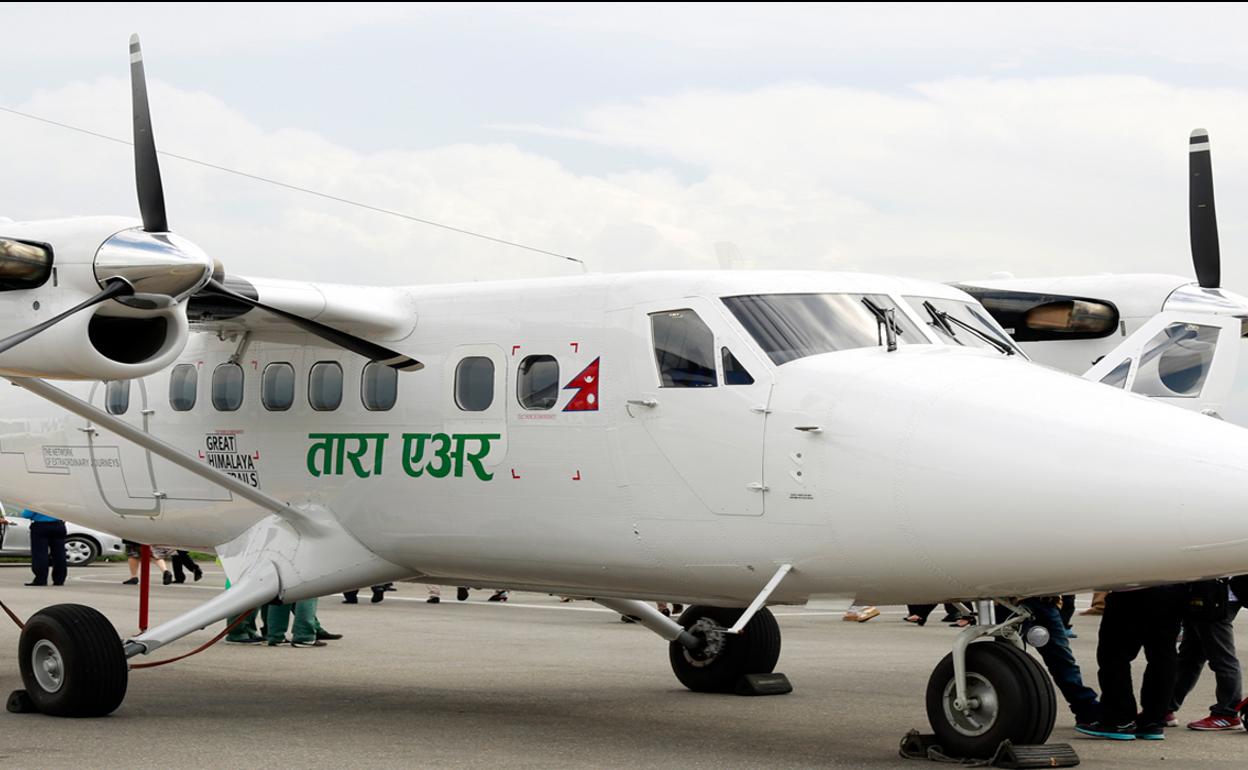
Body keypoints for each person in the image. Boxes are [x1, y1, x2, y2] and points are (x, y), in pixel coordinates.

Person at [1077, 585, 1186, 741]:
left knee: (1113, 655)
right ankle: (1153, 720)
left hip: (1133, 590)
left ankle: (1119, 719)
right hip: (1171, 591)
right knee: (1162, 657)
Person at [1168, 579, 1242, 731]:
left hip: (1216, 595)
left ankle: (1227, 713)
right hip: (1202, 592)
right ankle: (1165, 707)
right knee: (1190, 656)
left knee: (1221, 658)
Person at [14, 508, 67, 587]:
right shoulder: (59, 500)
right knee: (59, 554)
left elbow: (26, 514)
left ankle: (41, 579)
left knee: (40, 554)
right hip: (59, 525)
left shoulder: (37, 500)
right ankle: (59, 580)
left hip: (41, 525)